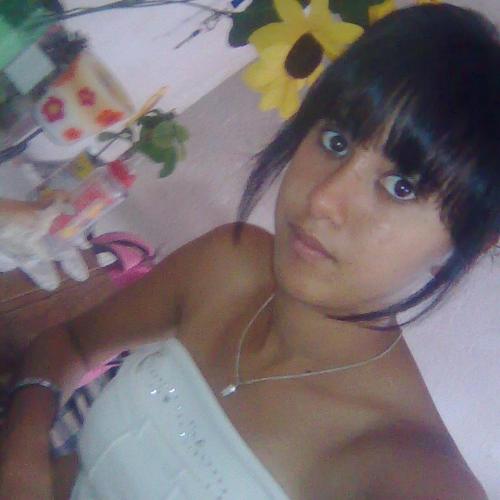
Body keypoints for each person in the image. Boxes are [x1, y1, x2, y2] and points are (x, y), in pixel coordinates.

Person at [1, 4, 498, 499]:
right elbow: (69, 344)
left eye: (401, 187)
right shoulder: (231, 264)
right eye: (336, 140)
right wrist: (23, 454)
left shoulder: (412, 473)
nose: (323, 200)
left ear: (468, 243)